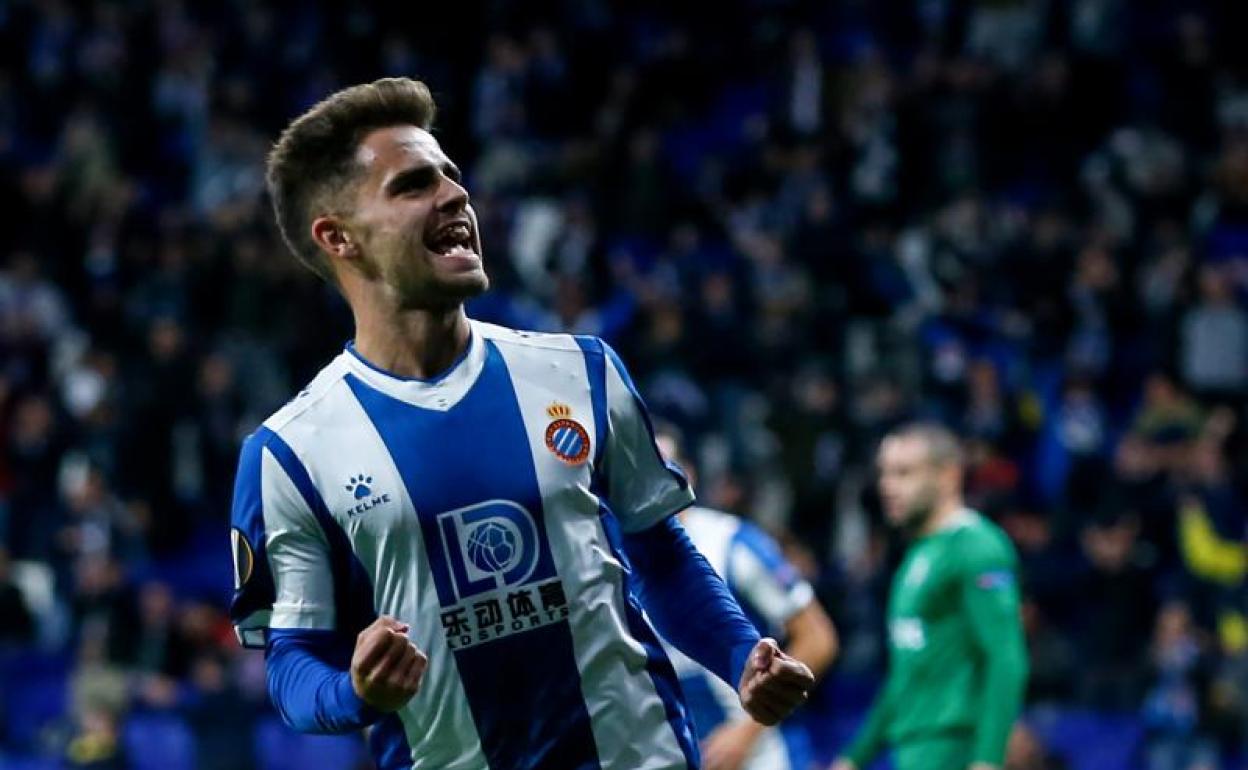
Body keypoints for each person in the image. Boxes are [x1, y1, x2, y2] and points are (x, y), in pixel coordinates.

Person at [227, 77, 814, 770]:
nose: (455, 195)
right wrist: (355, 692)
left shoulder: (582, 370)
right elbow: (293, 666)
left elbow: (659, 555)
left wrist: (742, 654)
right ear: (338, 237)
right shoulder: (289, 452)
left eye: (451, 175)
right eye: (414, 185)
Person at [832, 423, 1028, 770]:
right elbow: (904, 678)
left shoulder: (976, 546)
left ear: (948, 475)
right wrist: (853, 758)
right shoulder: (917, 554)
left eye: (904, 473)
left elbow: (1005, 656)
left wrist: (988, 759)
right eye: (885, 473)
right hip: (914, 750)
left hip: (955, 748)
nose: (887, 486)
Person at [654, 426, 838, 770]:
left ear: (687, 473)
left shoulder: (732, 541)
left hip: (768, 757)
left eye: (660, 464)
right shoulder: (612, 555)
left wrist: (745, 732)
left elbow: (819, 637)